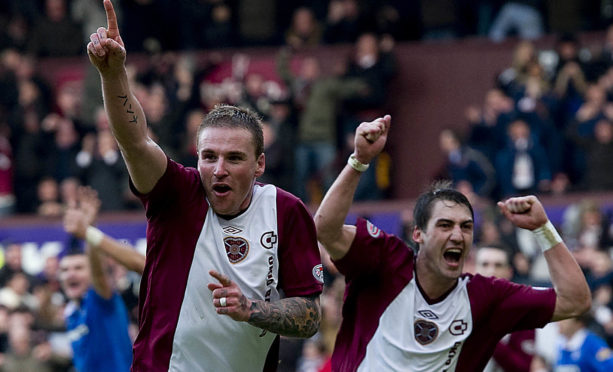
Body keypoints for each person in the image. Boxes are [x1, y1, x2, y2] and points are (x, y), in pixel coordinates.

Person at [86, 1, 323, 371]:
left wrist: (252, 310)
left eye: (234, 158)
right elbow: (135, 142)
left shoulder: (286, 210)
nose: (218, 169)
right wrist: (114, 75)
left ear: (260, 163)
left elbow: (309, 315)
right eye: (208, 156)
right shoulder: (177, 193)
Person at [314, 115, 591, 371]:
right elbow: (325, 228)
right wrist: (359, 161)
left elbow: (575, 301)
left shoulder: (485, 297)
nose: (457, 235)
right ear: (418, 234)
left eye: (466, 227)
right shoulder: (384, 261)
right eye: (445, 225)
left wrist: (543, 229)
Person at [60, 187, 132, 371]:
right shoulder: (70, 312)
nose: (71, 274)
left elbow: (99, 274)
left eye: (78, 268)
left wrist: (88, 230)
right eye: (65, 269)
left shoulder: (101, 299)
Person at [476, 244, 536, 372]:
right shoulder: (459, 307)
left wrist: (487, 333)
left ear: (509, 272)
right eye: (485, 264)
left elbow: (522, 368)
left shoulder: (522, 314)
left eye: (498, 265)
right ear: (474, 269)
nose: (491, 271)